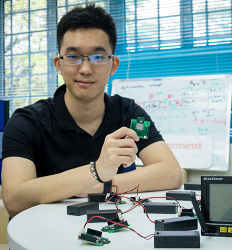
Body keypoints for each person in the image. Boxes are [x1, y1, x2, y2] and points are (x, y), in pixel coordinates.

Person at [1, 4, 182, 218]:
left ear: (113, 65)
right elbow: (14, 198)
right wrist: (96, 171)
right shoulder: (27, 122)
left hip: (112, 231)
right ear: (58, 64)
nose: (85, 69)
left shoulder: (130, 115)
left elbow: (171, 172)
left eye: (97, 57)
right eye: (73, 56)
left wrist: (102, 184)